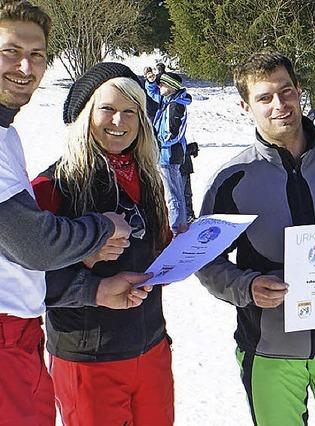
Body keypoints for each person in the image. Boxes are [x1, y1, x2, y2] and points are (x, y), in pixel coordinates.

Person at [196, 52, 315, 425]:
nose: (279, 105)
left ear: (299, 90)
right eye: (264, 98)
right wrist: (247, 286)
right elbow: (205, 259)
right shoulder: (233, 179)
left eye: (286, 92)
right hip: (269, 351)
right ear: (245, 106)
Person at [0, 3, 138, 425]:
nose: (26, 66)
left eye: (38, 54)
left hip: (21, 335)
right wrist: (101, 228)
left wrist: (92, 291)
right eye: (11, 50)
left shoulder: (7, 135)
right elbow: (33, 245)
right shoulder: (55, 178)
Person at [31, 62, 174, 426]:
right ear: (85, 114)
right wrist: (87, 267)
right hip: (89, 358)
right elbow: (24, 281)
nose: (119, 121)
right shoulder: (53, 186)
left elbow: (153, 254)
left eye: (131, 112)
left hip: (151, 346)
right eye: (107, 109)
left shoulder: (147, 178)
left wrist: (179, 248)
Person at [145, 70, 192, 234]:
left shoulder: (175, 106)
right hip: (167, 155)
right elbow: (152, 93)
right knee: (176, 192)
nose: (159, 86)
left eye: (162, 83)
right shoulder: (168, 100)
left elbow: (173, 133)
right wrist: (151, 81)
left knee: (172, 194)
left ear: (172, 87)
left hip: (169, 155)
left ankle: (176, 229)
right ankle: (181, 225)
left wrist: (156, 142)